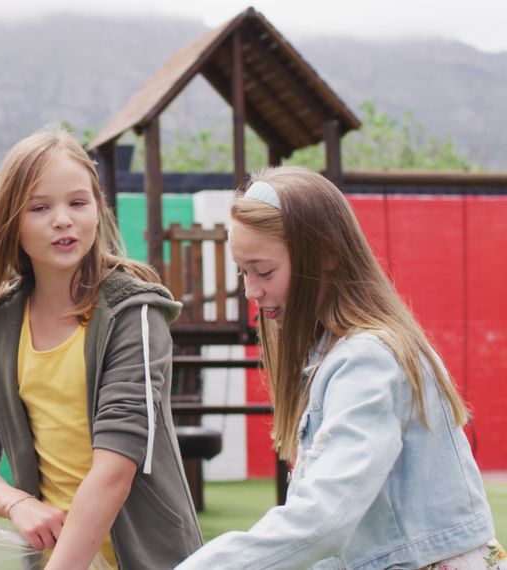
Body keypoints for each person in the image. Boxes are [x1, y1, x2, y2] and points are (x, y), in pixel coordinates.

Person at [177, 166, 503, 569]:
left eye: (264, 271)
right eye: (243, 272)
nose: (251, 290)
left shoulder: (367, 360)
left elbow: (324, 519)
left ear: (326, 256)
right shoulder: (333, 354)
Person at [0, 125, 203, 569]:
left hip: (147, 559)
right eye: (40, 207)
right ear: (10, 223)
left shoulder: (134, 314)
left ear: (97, 211)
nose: (62, 219)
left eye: (77, 202)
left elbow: (114, 472)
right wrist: (18, 504)